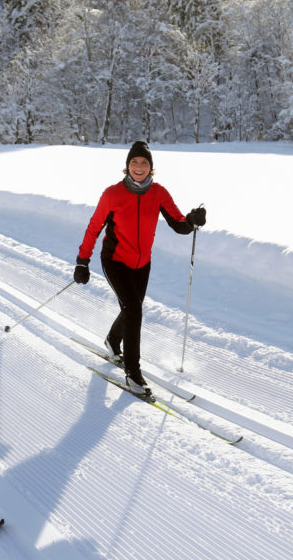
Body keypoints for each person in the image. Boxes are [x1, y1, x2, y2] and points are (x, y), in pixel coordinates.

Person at [73, 140, 205, 397]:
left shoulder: (159, 193)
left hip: (141, 263)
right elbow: (94, 227)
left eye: (144, 163)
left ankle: (112, 341)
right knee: (133, 310)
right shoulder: (112, 194)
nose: (139, 167)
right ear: (127, 166)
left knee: (132, 308)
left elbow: (178, 224)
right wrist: (82, 261)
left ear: (151, 168)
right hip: (115, 259)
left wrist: (192, 220)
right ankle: (133, 373)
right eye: (134, 162)